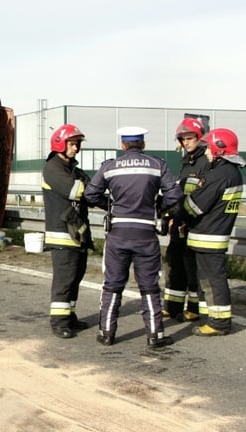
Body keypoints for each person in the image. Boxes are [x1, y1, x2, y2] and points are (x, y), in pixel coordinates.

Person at [84, 127, 183, 348]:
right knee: (149, 286)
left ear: (123, 145)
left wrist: (111, 206)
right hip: (146, 233)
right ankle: (155, 335)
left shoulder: (109, 167)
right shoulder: (157, 165)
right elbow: (175, 196)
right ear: (143, 144)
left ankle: (106, 333)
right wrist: (158, 207)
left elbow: (90, 195)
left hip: (118, 233)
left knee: (112, 284)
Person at [180, 128, 246, 337]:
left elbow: (194, 206)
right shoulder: (231, 173)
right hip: (214, 234)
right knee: (209, 279)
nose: (206, 152)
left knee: (213, 280)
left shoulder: (219, 174)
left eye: (208, 148)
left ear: (219, 150)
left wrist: (177, 210)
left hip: (208, 235)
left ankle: (219, 323)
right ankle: (210, 317)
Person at [42, 124, 100, 338]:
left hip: (77, 233)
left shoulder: (72, 169)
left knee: (75, 278)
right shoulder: (53, 168)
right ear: (60, 144)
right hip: (63, 235)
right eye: (72, 144)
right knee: (64, 280)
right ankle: (58, 322)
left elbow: (91, 192)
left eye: (77, 144)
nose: (76, 148)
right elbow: (78, 191)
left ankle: (69, 316)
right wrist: (90, 184)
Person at [162, 118, 210, 322]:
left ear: (199, 138)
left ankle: (194, 307)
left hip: (194, 223)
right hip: (180, 220)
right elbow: (181, 192)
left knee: (192, 267)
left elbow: (201, 195)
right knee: (174, 262)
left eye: (190, 138)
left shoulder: (205, 161)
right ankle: (172, 306)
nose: (186, 142)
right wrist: (171, 215)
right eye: (183, 139)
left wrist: (185, 217)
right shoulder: (186, 161)